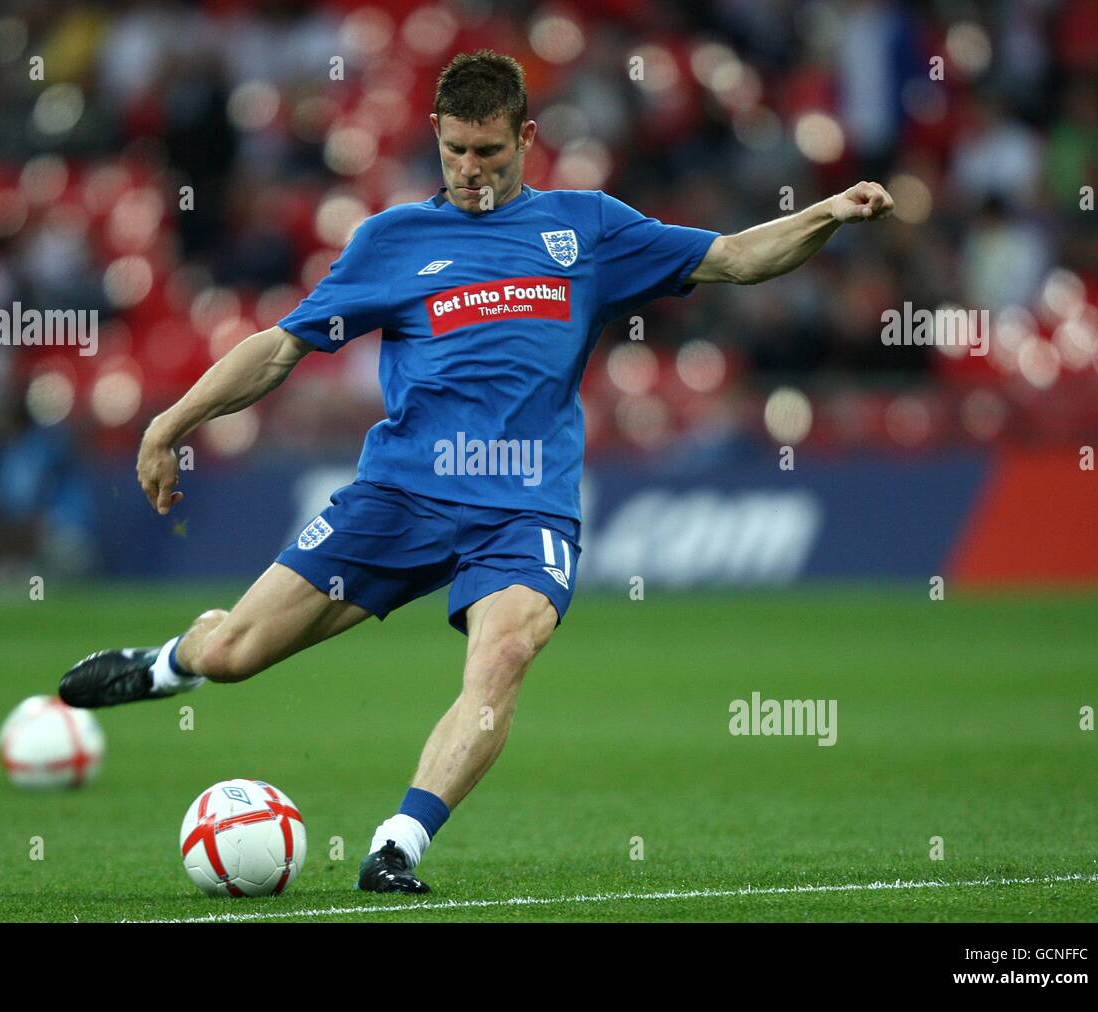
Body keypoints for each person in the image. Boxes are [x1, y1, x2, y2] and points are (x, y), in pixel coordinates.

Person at [59, 49, 893, 894]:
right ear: (435, 135)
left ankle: (397, 845)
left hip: (525, 506)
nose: (470, 170)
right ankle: (172, 663)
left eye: (489, 152)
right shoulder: (392, 241)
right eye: (455, 150)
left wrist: (828, 212)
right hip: (401, 493)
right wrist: (171, 422)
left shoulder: (587, 228)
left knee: (504, 656)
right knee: (236, 654)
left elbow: (736, 257)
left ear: (526, 138)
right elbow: (281, 349)